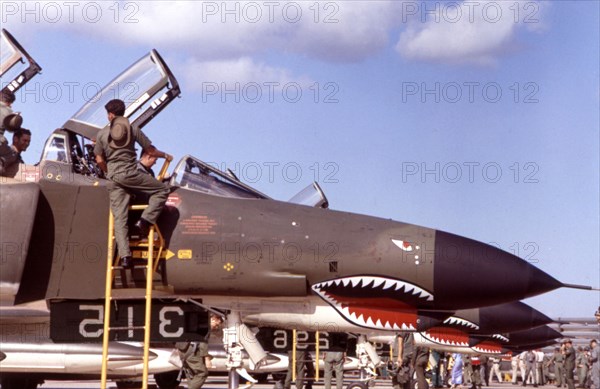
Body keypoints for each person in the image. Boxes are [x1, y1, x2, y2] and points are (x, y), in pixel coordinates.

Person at [94, 99, 172, 269]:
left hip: (114, 178)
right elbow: (150, 151)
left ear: (110, 115)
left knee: (119, 219)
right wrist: (165, 155)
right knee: (162, 190)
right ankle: (145, 222)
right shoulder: (133, 129)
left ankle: (125, 258)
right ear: (123, 112)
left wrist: (108, 171)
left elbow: (99, 158)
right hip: (131, 174)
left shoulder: (101, 134)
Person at [176, 314, 223, 389]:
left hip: (183, 350)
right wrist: (207, 359)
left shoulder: (198, 323)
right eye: (217, 324)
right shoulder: (206, 327)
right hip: (192, 352)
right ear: (213, 319)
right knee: (202, 373)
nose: (216, 327)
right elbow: (203, 344)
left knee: (191, 374)